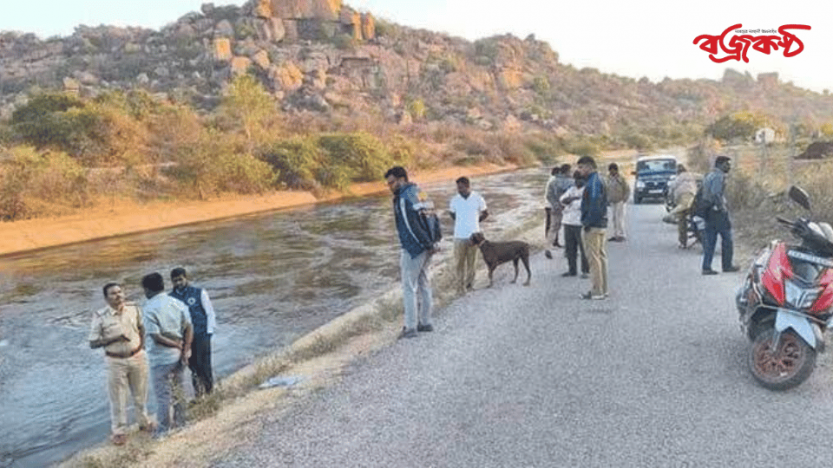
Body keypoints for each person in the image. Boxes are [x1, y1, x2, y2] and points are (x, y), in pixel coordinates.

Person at [89, 283, 154, 445]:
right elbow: (93, 343)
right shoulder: (100, 316)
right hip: (115, 361)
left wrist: (142, 346)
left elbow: (141, 328)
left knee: (141, 392)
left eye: (120, 292)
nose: (118, 295)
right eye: (113, 294)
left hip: (137, 356)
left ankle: (144, 422)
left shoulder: (134, 308)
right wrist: (114, 338)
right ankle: (119, 431)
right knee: (118, 397)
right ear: (106, 298)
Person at [385, 166, 439, 338]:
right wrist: (434, 242)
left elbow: (410, 225)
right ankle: (426, 322)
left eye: (391, 182)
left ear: (401, 180)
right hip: (428, 246)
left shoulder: (403, 197)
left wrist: (425, 244)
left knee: (409, 287)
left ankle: (410, 327)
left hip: (414, 248)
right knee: (424, 284)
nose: (390, 187)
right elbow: (432, 215)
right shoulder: (421, 192)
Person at [141, 272, 193, 438]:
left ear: (147, 289)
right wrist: (185, 349)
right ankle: (182, 422)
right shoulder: (177, 303)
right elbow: (189, 327)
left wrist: (175, 344)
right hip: (179, 355)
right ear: (163, 285)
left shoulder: (148, 308)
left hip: (161, 358)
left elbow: (156, 337)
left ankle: (164, 429)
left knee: (163, 395)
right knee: (179, 389)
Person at [169, 267, 216, 397]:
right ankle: (198, 395)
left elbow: (210, 313)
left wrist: (209, 332)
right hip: (183, 338)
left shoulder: (199, 292)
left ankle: (210, 392)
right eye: (175, 281)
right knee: (192, 366)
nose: (178, 283)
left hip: (201, 334)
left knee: (204, 365)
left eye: (180, 279)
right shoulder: (170, 298)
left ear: (186, 278)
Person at [449, 177, 489, 294]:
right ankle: (459, 288)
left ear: (467, 186)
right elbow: (452, 215)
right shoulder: (454, 200)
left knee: (472, 263)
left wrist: (476, 221)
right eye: (457, 187)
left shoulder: (478, 198)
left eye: (460, 187)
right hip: (459, 236)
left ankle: (470, 286)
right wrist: (462, 222)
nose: (458, 190)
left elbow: (486, 213)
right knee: (458, 264)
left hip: (474, 236)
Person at [701, 156, 740, 275]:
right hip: (717, 213)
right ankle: (727, 265)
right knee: (727, 240)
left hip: (708, 211)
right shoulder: (719, 176)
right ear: (720, 164)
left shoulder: (709, 175)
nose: (729, 167)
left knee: (710, 241)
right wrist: (721, 207)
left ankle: (706, 267)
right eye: (726, 164)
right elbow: (716, 193)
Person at [577, 156, 609, 300]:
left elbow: (595, 203)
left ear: (589, 167)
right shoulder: (600, 179)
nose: (579, 170)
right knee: (601, 257)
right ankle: (603, 289)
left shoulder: (594, 182)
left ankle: (597, 291)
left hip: (594, 225)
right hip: (601, 224)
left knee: (594, 259)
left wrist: (587, 222)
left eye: (581, 167)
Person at [559, 171, 590, 278]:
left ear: (584, 180)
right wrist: (572, 199)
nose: (577, 182)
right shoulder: (571, 189)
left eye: (579, 179)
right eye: (575, 179)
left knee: (583, 248)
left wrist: (570, 201)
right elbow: (562, 199)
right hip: (567, 222)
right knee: (570, 248)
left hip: (580, 223)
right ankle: (572, 270)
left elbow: (582, 204)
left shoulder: (587, 190)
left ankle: (585, 271)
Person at [665, 164, 699, 248]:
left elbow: (671, 190)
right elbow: (702, 178)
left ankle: (683, 241)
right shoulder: (692, 175)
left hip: (680, 198)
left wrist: (671, 201)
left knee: (681, 221)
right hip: (692, 197)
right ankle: (699, 234)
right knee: (696, 215)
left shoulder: (677, 178)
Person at [545, 164, 574, 258]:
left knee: (553, 229)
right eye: (570, 171)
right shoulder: (571, 182)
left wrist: (556, 205)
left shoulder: (553, 181)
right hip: (568, 209)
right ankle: (567, 250)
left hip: (555, 209)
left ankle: (548, 247)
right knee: (568, 230)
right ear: (567, 172)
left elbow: (548, 195)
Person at [605, 163, 630, 242]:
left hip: (620, 201)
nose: (611, 172)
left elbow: (627, 189)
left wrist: (624, 199)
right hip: (612, 201)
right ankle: (615, 234)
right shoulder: (608, 178)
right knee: (614, 218)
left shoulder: (621, 178)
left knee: (619, 218)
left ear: (616, 170)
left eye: (613, 170)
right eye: (610, 170)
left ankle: (621, 234)